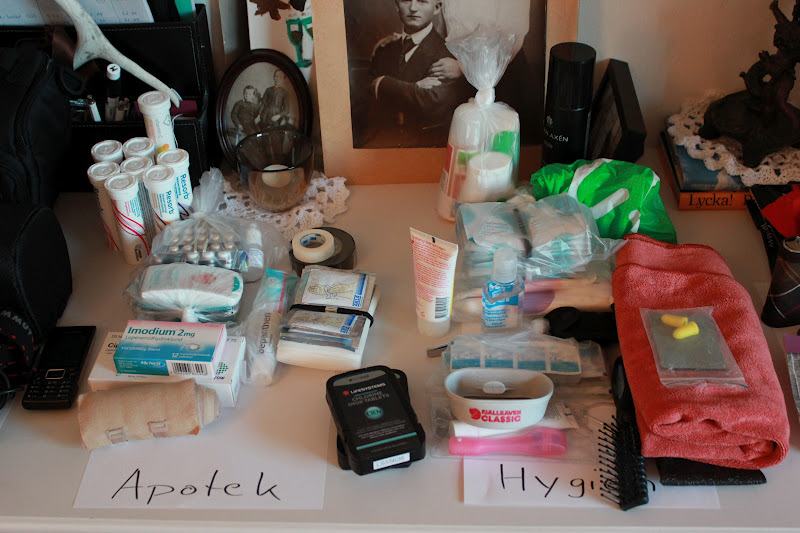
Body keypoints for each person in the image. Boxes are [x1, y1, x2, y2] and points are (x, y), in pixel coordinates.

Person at [363, 0, 470, 148]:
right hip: (380, 143)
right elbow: (366, 97)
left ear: (436, 8)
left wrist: (383, 83)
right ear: (396, 6)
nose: (413, 8)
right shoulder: (384, 49)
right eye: (406, 0)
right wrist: (415, 87)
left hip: (422, 146)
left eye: (422, 1)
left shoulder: (446, 55)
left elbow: (431, 101)